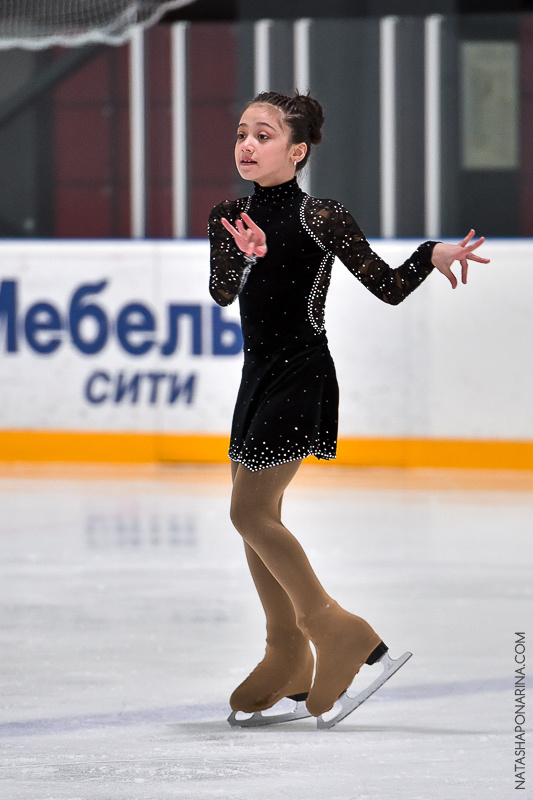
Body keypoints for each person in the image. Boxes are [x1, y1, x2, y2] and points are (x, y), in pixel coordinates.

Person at [208, 91, 489, 727]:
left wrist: (430, 254)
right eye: (242, 133)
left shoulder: (320, 216)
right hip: (257, 378)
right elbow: (222, 293)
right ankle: (287, 653)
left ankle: (338, 629)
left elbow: (387, 287)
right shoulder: (228, 215)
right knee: (258, 516)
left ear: (297, 151)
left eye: (264, 135)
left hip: (301, 375)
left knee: (249, 511)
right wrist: (247, 259)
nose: (247, 145)